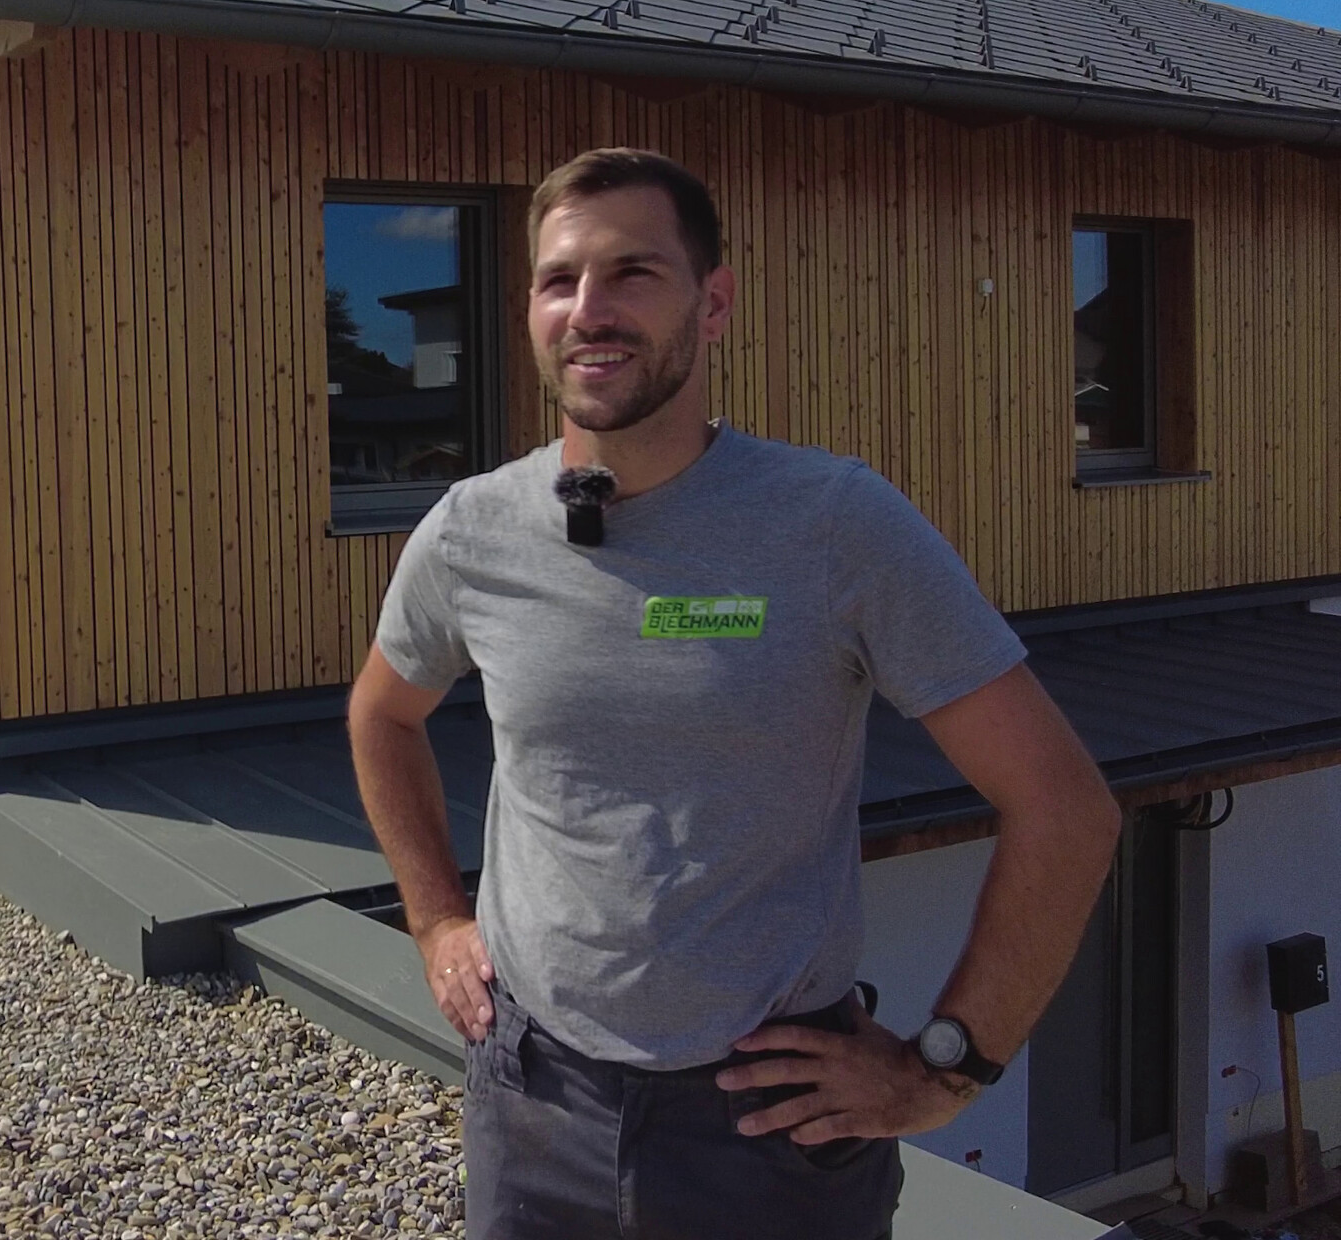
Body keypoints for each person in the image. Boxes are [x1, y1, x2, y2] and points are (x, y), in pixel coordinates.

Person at [344, 148, 1123, 1240]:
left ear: (713, 304)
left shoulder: (834, 523)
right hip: (531, 1105)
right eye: (559, 278)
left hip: (767, 1137)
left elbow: (1065, 807)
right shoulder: (472, 530)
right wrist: (433, 919)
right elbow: (382, 715)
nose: (589, 310)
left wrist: (950, 1067)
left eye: (633, 273)